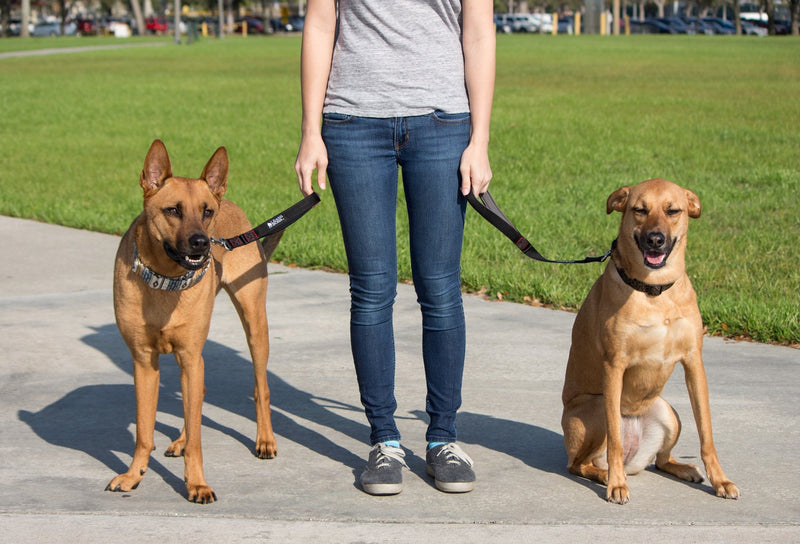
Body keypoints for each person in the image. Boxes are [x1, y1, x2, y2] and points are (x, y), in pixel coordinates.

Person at [295, 0, 495, 495]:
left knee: (441, 289)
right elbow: (320, 25)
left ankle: (443, 439)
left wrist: (481, 140)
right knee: (371, 290)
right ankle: (384, 442)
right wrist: (310, 132)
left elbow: (478, 33)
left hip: (445, 125)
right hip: (352, 124)